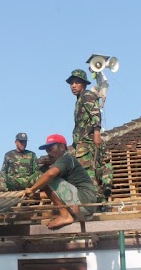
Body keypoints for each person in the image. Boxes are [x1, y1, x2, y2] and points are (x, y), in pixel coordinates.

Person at [24, 134, 97, 230]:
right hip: (84, 205)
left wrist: (32, 189)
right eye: (47, 150)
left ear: (62, 147)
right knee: (46, 178)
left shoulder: (67, 158)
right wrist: (36, 195)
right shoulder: (64, 163)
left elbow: (49, 175)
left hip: (83, 200)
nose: (48, 153)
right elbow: (57, 193)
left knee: (46, 176)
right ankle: (66, 214)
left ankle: (64, 215)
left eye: (50, 149)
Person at [66, 69, 114, 200]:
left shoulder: (87, 95)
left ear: (84, 84)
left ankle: (99, 200)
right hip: (81, 142)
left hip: (86, 142)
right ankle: (99, 200)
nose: (73, 86)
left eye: (77, 83)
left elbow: (95, 113)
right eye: (71, 83)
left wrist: (97, 134)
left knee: (86, 173)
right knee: (87, 171)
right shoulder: (80, 99)